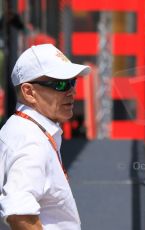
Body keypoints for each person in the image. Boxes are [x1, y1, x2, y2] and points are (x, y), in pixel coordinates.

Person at [0, 44, 90, 229]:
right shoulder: (32, 141)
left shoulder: (21, 129)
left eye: (72, 82)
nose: (72, 91)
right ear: (29, 92)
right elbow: (19, 214)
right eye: (61, 84)